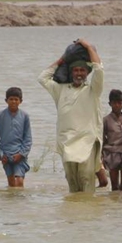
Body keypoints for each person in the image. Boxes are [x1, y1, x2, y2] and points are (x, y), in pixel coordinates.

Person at [38, 38, 104, 193]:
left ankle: (86, 213)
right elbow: (42, 78)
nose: (79, 73)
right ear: (71, 72)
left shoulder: (93, 90)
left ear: (87, 73)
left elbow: (99, 69)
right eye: (75, 70)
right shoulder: (60, 90)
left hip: (87, 141)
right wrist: (63, 59)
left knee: (86, 177)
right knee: (71, 180)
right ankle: (72, 215)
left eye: (82, 70)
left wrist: (88, 47)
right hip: (66, 142)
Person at [0, 87, 32, 188]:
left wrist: (22, 154)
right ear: (6, 101)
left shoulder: (25, 116)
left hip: (19, 154)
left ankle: (21, 203)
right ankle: (11, 203)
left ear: (20, 101)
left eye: (16, 99)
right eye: (11, 99)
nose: (13, 101)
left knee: (19, 181)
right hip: (5, 154)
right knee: (11, 183)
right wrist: (0, 154)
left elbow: (28, 138)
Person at [102, 89, 122, 191]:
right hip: (111, 153)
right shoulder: (106, 120)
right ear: (110, 104)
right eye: (114, 103)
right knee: (114, 186)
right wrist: (102, 155)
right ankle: (114, 206)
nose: (117, 105)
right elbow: (102, 138)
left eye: (120, 103)